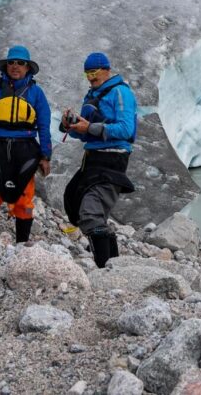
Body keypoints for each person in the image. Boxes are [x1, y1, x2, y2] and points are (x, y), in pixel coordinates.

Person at [61, 52, 137, 268]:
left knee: (91, 214)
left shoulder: (120, 92)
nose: (90, 78)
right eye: (87, 74)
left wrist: (90, 127)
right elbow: (86, 133)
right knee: (72, 199)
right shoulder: (93, 94)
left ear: (106, 69)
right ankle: (112, 263)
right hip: (92, 158)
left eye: (94, 73)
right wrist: (71, 127)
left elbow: (125, 129)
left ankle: (104, 269)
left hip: (112, 159)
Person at [0, 45, 52, 244]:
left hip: (26, 150)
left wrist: (45, 156)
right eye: (11, 62)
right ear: (6, 66)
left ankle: (22, 246)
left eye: (20, 63)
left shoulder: (36, 94)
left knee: (24, 199)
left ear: (28, 68)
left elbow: (44, 125)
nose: (15, 66)